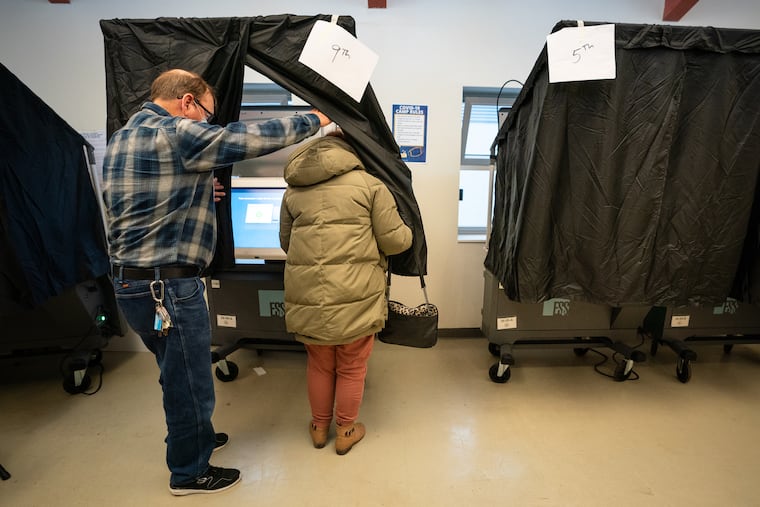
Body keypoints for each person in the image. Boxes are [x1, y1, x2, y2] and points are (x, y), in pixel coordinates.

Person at [101, 68, 331, 495]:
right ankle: (189, 472)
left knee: (176, 373)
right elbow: (242, 141)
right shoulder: (176, 133)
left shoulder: (123, 137)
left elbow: (141, 202)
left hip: (131, 285)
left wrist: (194, 190)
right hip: (166, 287)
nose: (206, 124)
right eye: (206, 115)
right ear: (187, 102)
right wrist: (315, 118)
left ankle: (196, 440)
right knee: (190, 381)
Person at [279, 130, 413, 455]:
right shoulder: (371, 186)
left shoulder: (294, 191)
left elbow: (286, 243)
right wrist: (408, 231)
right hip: (357, 295)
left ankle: (318, 427)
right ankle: (346, 429)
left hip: (308, 298)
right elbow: (395, 242)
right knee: (352, 365)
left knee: (320, 364)